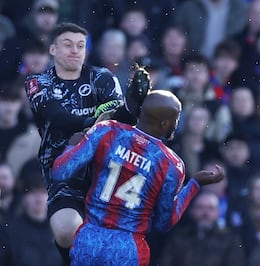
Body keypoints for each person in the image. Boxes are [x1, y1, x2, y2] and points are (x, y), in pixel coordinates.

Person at [51, 90, 225, 265]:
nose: (177, 123)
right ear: (164, 123)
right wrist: (194, 184)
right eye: (176, 118)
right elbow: (165, 222)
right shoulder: (171, 164)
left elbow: (61, 172)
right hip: (127, 248)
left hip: (90, 238)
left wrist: (70, 147)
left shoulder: (106, 130)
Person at [24, 22, 149, 264]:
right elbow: (57, 117)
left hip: (107, 171)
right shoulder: (38, 81)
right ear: (52, 49)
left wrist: (133, 105)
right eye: (67, 44)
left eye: (80, 46)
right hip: (63, 172)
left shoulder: (101, 77)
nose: (74, 50)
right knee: (65, 229)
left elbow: (121, 119)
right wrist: (96, 119)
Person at [159, 190, 246, 266]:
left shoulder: (230, 239)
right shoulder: (178, 237)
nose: (205, 213)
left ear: (218, 212)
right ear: (191, 211)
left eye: (210, 208)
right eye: (200, 207)